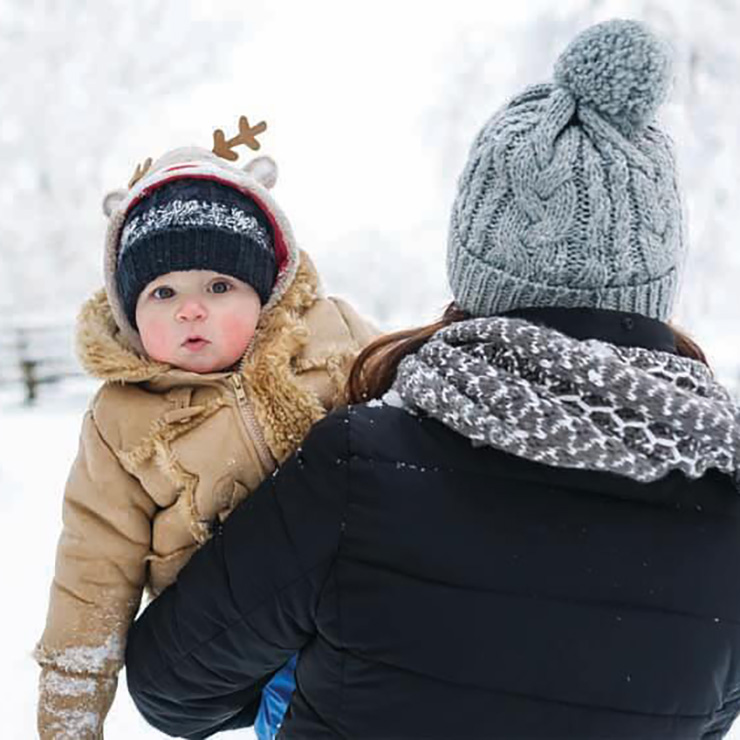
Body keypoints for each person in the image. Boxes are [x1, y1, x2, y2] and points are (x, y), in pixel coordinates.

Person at [124, 20, 740, 739]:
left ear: (476, 261)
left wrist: (296, 676)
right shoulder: (727, 501)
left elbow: (175, 685)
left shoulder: (361, 466)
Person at [34, 127, 377, 739]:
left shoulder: (333, 335)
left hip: (366, 586)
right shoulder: (121, 419)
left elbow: (414, 400)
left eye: (219, 286)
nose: (190, 309)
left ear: (265, 290)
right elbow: (93, 565)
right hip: (240, 633)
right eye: (163, 292)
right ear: (129, 311)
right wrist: (70, 709)